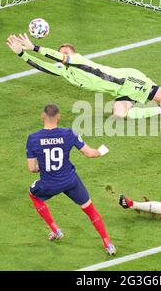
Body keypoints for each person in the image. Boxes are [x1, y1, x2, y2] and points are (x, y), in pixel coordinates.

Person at [6, 34, 161, 122]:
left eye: (66, 50)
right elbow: (45, 67)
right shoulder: (65, 71)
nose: (63, 53)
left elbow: (56, 57)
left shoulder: (78, 60)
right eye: (61, 51)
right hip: (119, 90)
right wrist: (21, 54)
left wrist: (35, 46)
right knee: (120, 113)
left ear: (72, 52)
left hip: (129, 80)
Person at [26, 103, 116, 255]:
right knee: (90, 210)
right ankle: (108, 243)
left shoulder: (33, 138)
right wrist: (102, 150)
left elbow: (31, 168)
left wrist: (44, 167)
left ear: (42, 116)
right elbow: (90, 154)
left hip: (49, 184)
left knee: (32, 194)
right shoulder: (69, 133)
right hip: (70, 181)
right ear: (59, 117)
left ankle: (56, 230)